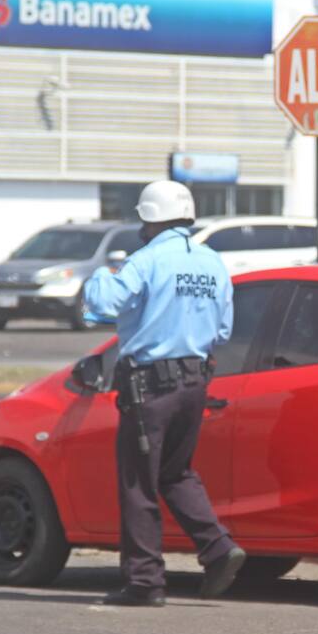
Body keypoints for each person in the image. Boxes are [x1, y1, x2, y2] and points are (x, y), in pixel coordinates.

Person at [83, 181, 246, 607]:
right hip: (195, 381)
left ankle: (144, 582)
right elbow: (224, 330)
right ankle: (218, 548)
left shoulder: (147, 259)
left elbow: (102, 305)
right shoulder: (212, 262)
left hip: (149, 387)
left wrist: (102, 274)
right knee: (176, 473)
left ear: (149, 219)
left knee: (138, 482)